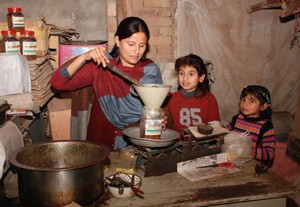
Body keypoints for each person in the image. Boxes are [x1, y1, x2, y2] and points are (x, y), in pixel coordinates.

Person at [50, 16, 164, 150]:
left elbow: (159, 108)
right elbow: (58, 82)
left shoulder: (150, 70)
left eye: (142, 45)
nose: (137, 51)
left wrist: (162, 117)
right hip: (103, 141)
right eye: (131, 44)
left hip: (139, 143)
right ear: (117, 40)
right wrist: (84, 56)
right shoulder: (103, 66)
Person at [165, 53, 221, 136]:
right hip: (177, 143)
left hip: (202, 144)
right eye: (181, 73)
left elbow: (215, 128)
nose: (185, 78)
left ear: (201, 77)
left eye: (191, 74)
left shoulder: (209, 99)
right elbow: (167, 126)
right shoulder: (171, 98)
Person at [227, 85, 276, 166]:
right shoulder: (236, 119)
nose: (245, 104)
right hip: (233, 162)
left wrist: (246, 151)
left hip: (253, 166)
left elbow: (269, 154)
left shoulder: (266, 127)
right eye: (243, 100)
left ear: (263, 106)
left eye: (251, 101)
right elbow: (224, 134)